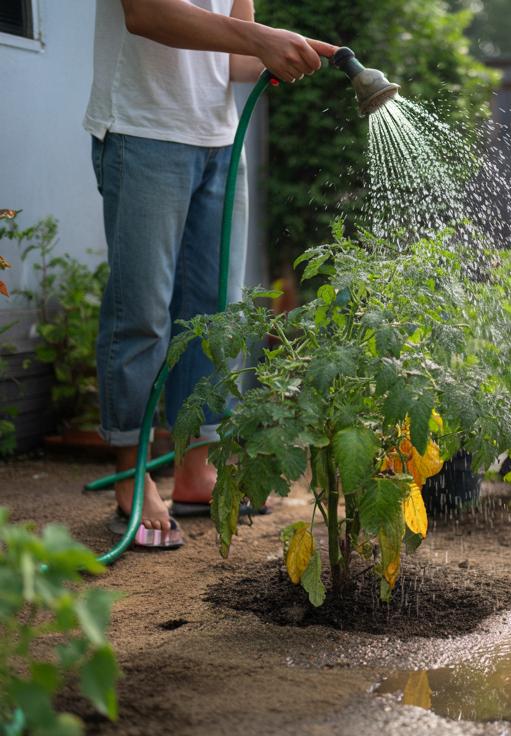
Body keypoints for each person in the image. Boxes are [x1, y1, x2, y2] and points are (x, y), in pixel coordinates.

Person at [85, 0, 336, 548]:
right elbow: (146, 14)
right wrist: (259, 39)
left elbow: (236, 53)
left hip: (220, 142)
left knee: (213, 313)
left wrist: (287, 48)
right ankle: (134, 473)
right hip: (142, 129)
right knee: (142, 312)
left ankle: (197, 469)